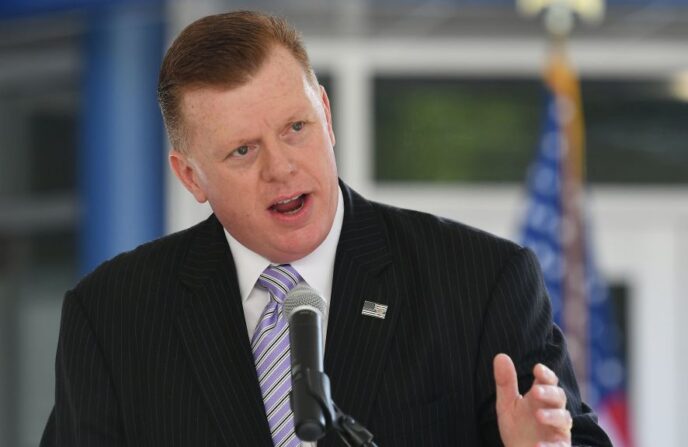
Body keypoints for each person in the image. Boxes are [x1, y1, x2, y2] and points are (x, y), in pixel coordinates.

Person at [41, 10, 611, 447]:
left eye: (296, 128)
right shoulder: (112, 314)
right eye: (242, 150)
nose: (281, 167)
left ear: (328, 117)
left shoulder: (482, 281)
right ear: (191, 176)